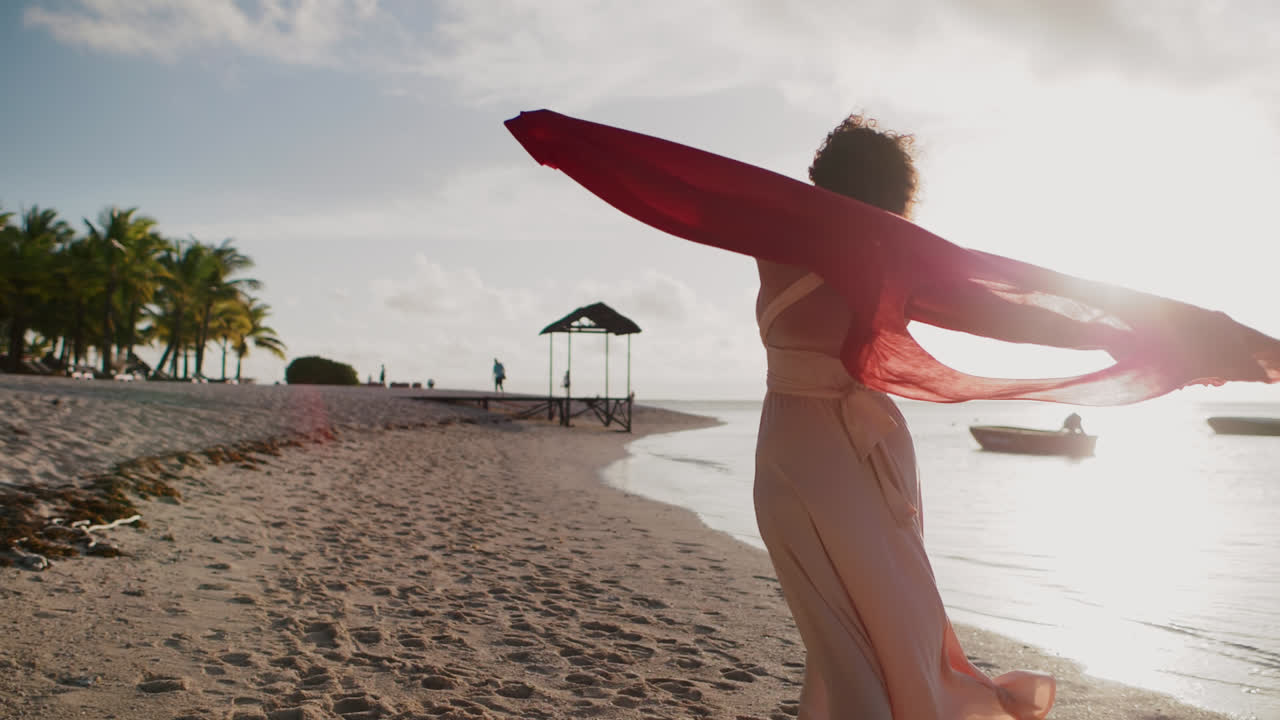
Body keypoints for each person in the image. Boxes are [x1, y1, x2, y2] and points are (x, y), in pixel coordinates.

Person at [749, 115, 1051, 718]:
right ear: (895, 195)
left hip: (787, 454)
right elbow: (1008, 314)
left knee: (837, 641)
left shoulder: (771, 241)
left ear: (821, 179)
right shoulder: (890, 267)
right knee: (882, 635)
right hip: (855, 458)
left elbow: (692, 194)